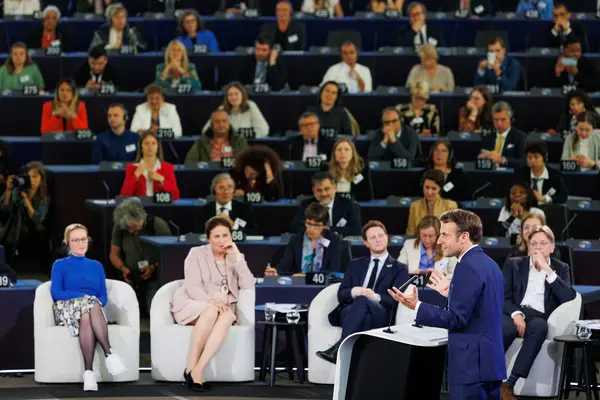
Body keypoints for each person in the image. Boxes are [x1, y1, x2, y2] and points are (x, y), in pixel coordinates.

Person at [389, 209, 506, 399]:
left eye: (445, 234)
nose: (439, 240)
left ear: (464, 236)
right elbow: (480, 308)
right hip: (491, 365)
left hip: (470, 368)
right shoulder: (490, 264)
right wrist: (452, 293)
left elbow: (456, 319)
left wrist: (417, 306)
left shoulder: (466, 266)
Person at [171, 216, 254, 390]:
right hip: (193, 302)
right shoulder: (196, 254)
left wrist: (236, 257)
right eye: (217, 236)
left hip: (223, 308)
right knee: (210, 311)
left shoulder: (235, 256)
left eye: (225, 235)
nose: (222, 240)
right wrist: (211, 301)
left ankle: (197, 370)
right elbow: (192, 286)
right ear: (208, 238)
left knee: (227, 316)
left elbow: (248, 284)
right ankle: (191, 367)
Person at [316, 220, 409, 364]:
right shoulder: (355, 264)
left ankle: (340, 347)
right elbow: (341, 294)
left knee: (363, 300)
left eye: (381, 235)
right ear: (366, 243)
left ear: (386, 237)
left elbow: (397, 300)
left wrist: (376, 297)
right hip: (352, 312)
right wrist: (354, 291)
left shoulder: (399, 268)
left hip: (380, 313)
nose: (378, 240)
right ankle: (359, 363)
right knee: (362, 310)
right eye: (373, 237)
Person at [501, 225, 575, 400]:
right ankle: (488, 380)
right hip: (514, 312)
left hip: (538, 317)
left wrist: (547, 270)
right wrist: (516, 314)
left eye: (543, 243)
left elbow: (569, 297)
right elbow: (502, 295)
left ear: (552, 247)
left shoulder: (561, 268)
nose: (538, 248)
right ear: (528, 247)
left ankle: (509, 384)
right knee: (504, 329)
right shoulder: (514, 264)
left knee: (540, 328)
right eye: (533, 244)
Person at [51, 223, 126, 392]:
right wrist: (83, 297)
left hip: (92, 310)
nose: (80, 243)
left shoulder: (96, 266)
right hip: (67, 309)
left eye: (83, 239)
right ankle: (109, 353)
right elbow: (56, 293)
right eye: (75, 240)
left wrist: (90, 301)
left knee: (86, 314)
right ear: (67, 243)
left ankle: (88, 373)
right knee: (89, 304)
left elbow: (103, 297)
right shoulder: (59, 265)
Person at [110, 199, 171, 316]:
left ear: (141, 218)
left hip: (154, 276)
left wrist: (153, 267)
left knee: (154, 311)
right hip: (131, 276)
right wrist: (124, 269)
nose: (130, 230)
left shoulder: (157, 225)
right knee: (125, 311)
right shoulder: (121, 226)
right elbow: (114, 255)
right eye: (127, 228)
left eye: (133, 226)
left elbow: (169, 254)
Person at [266, 202, 342, 276]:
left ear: (324, 226)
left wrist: (306, 276)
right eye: (309, 224)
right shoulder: (296, 239)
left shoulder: (334, 240)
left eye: (316, 225)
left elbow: (334, 270)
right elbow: (285, 266)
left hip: (324, 283)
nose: (311, 229)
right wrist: (276, 273)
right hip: (299, 283)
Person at [0, 161, 50, 266]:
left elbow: (38, 219)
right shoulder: (18, 190)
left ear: (41, 179)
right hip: (13, 226)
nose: (31, 180)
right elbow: (4, 211)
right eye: (28, 177)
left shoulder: (44, 197)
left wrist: (26, 201)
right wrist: (8, 191)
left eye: (35, 177)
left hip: (32, 229)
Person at [291, 171, 361, 237]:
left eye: (327, 189)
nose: (324, 194)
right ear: (313, 190)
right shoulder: (306, 205)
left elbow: (356, 230)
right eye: (319, 190)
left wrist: (327, 230)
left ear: (334, 187)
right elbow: (296, 228)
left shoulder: (347, 204)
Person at [120, 131, 181, 200]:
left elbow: (176, 196)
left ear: (158, 147)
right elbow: (124, 195)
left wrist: (162, 180)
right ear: (141, 147)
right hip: (139, 206)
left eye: (153, 143)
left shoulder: (168, 168)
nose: (150, 146)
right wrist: (136, 175)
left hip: (160, 206)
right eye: (146, 143)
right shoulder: (131, 168)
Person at [201, 82, 269, 138]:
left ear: (242, 95)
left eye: (236, 94)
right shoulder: (222, 108)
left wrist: (241, 136)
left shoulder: (250, 105)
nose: (233, 97)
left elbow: (264, 130)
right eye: (230, 95)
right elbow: (205, 131)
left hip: (247, 145)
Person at [406, 169, 458, 235]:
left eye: (434, 188)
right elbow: (410, 233)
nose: (429, 192)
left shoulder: (450, 206)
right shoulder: (415, 206)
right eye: (427, 187)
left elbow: (452, 234)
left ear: (440, 189)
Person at [478, 101, 527, 168]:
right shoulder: (487, 138)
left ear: (510, 119)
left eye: (503, 120)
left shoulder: (520, 137)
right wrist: (482, 158)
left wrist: (502, 160)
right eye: (496, 120)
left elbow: (522, 162)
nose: (499, 123)